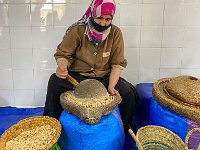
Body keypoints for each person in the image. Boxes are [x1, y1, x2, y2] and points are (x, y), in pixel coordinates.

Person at [43, 0, 139, 132]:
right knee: (54, 81)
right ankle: (50, 126)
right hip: (77, 78)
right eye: (100, 18)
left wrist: (111, 86)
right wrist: (62, 66)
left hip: (104, 78)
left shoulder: (115, 33)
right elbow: (63, 55)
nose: (103, 23)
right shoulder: (77, 30)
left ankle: (125, 128)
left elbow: (117, 64)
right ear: (93, 14)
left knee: (127, 93)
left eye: (108, 19)